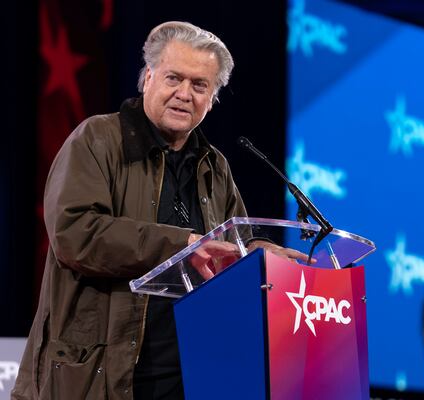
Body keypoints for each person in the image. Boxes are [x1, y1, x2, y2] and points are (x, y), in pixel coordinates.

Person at [12, 21, 304, 400]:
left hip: (191, 377)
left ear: (213, 97)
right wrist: (184, 245)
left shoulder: (214, 166)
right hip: (101, 377)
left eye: (200, 85)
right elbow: (76, 233)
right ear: (147, 78)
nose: (184, 94)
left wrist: (263, 255)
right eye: (173, 78)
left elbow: (236, 243)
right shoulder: (98, 139)